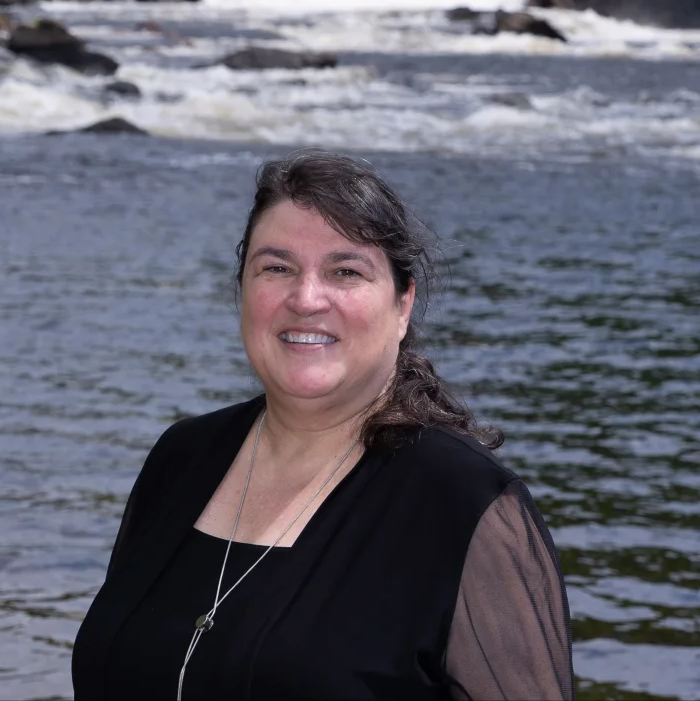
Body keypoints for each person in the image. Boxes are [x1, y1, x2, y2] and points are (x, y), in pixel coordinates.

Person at [72, 150, 574, 700]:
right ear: (242, 288)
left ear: (403, 304)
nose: (306, 299)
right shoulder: (180, 457)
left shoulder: (466, 504)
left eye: (346, 271)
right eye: (277, 268)